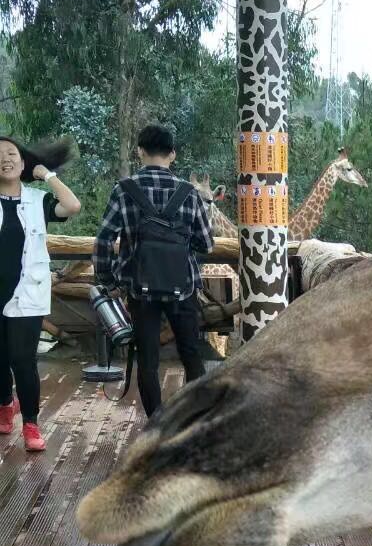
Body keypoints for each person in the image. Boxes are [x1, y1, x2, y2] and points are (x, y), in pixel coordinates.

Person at [94, 123, 214, 418]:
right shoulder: (188, 193)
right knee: (191, 354)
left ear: (140, 152)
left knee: (147, 360)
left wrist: (109, 281)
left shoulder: (124, 190)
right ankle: (193, 420)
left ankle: (156, 422)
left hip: (140, 288)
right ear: (172, 154)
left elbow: (104, 240)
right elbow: (207, 244)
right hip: (183, 286)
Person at [0, 135, 81, 452]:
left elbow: (72, 206)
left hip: (27, 292)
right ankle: (6, 404)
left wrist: (47, 175)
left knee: (23, 360)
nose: (5, 158)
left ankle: (31, 423)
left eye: (11, 153)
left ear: (23, 162)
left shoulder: (37, 200)